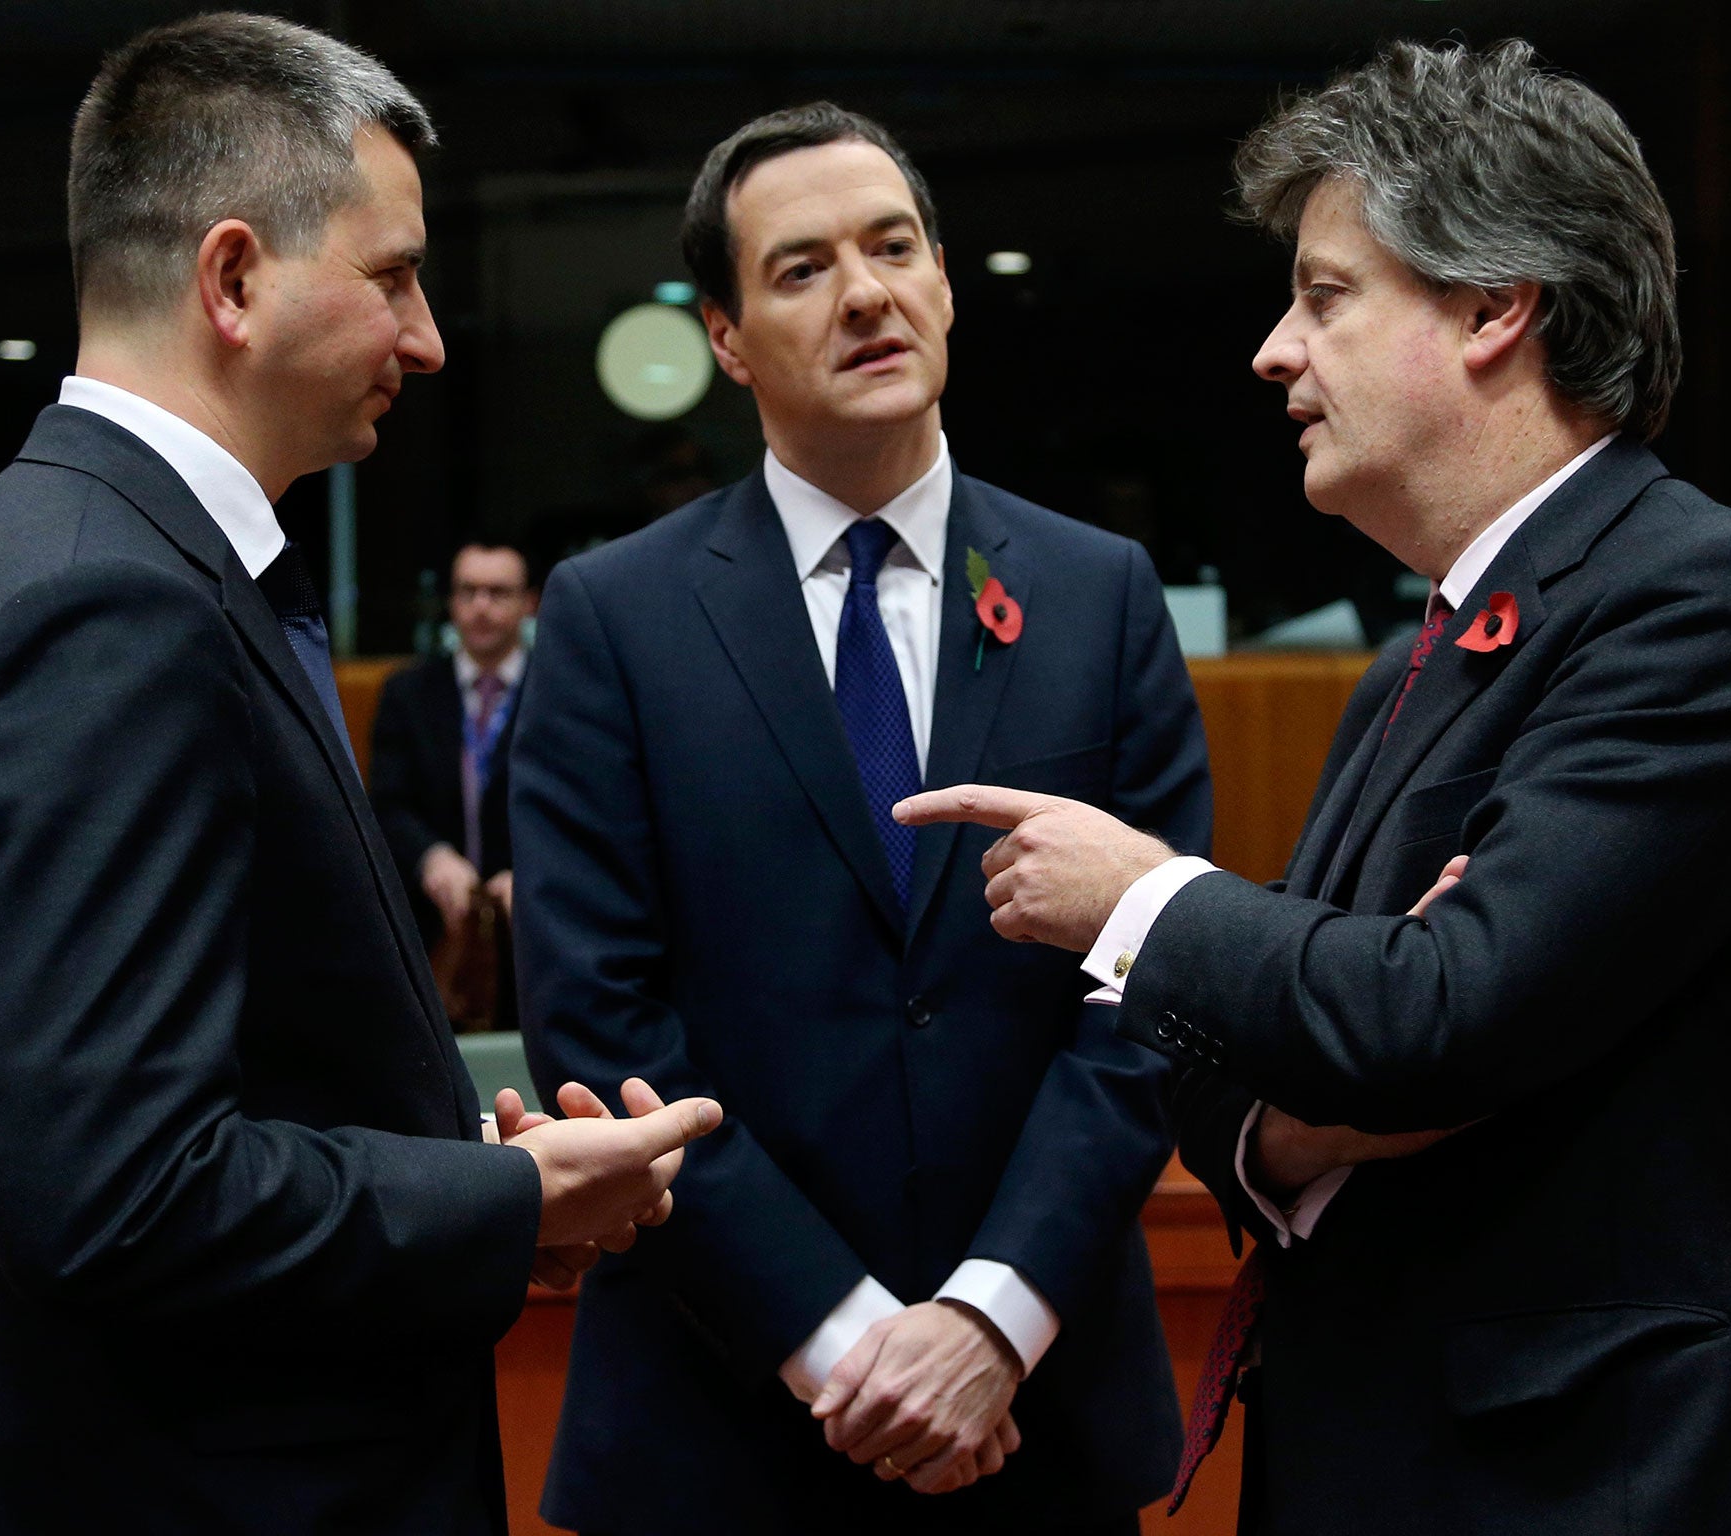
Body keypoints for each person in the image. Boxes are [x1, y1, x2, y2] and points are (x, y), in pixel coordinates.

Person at [898, 40, 1731, 1536]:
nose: (1274, 350)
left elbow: (1427, 1013)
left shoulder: (1699, 602)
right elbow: (1258, 1058)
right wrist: (1312, 1110)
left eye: (1326, 296)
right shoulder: (1416, 657)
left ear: (1493, 308)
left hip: (1581, 1486)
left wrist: (1138, 899)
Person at [0, 15, 715, 1534]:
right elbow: (119, 1197)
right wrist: (508, 1200)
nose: (432, 335)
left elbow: (237, 1076)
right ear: (234, 279)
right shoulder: (98, 607)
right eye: (393, 276)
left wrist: (469, 1173)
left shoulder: (128, 562)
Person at [508, 102, 1212, 1536]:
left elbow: (1150, 996)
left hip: (1040, 1409)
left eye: (895, 249)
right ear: (724, 335)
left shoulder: (1100, 596)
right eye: (804, 268)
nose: (869, 294)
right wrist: (844, 1348)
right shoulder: (612, 619)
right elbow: (599, 1022)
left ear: (947, 280)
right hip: (721, 1416)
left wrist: (987, 1322)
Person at [371, 540, 535, 1024]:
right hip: (433, 931)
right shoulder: (407, 691)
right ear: (451, 602)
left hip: (532, 932)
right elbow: (386, 802)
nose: (481, 607)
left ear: (530, 602)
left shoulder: (559, 690)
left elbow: (586, 806)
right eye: (468, 591)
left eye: (498, 592)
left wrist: (535, 871)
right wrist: (432, 856)